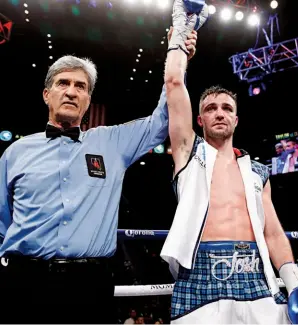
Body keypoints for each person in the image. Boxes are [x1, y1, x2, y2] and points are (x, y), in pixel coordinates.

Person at [0, 32, 198, 323]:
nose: (71, 91)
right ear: (47, 94)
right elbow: (2, 223)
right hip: (24, 280)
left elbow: (164, 119)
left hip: (89, 284)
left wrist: (177, 57)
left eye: (80, 86)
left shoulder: (112, 142)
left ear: (88, 99)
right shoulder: (15, 152)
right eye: (62, 83)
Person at [160, 0, 298, 323]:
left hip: (256, 278)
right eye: (210, 108)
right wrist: (182, 28)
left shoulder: (259, 172)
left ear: (236, 120)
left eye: (226, 108)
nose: (219, 112)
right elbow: (173, 83)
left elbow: (275, 234)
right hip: (201, 277)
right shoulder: (188, 155)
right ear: (199, 120)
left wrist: (293, 285)